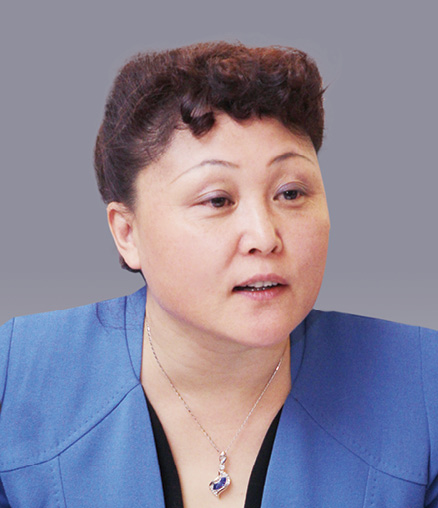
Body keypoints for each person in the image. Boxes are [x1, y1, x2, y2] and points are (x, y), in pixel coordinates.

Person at [0, 41, 437, 508]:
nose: (264, 237)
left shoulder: (422, 384)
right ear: (127, 233)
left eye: (291, 193)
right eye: (217, 200)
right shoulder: (15, 377)